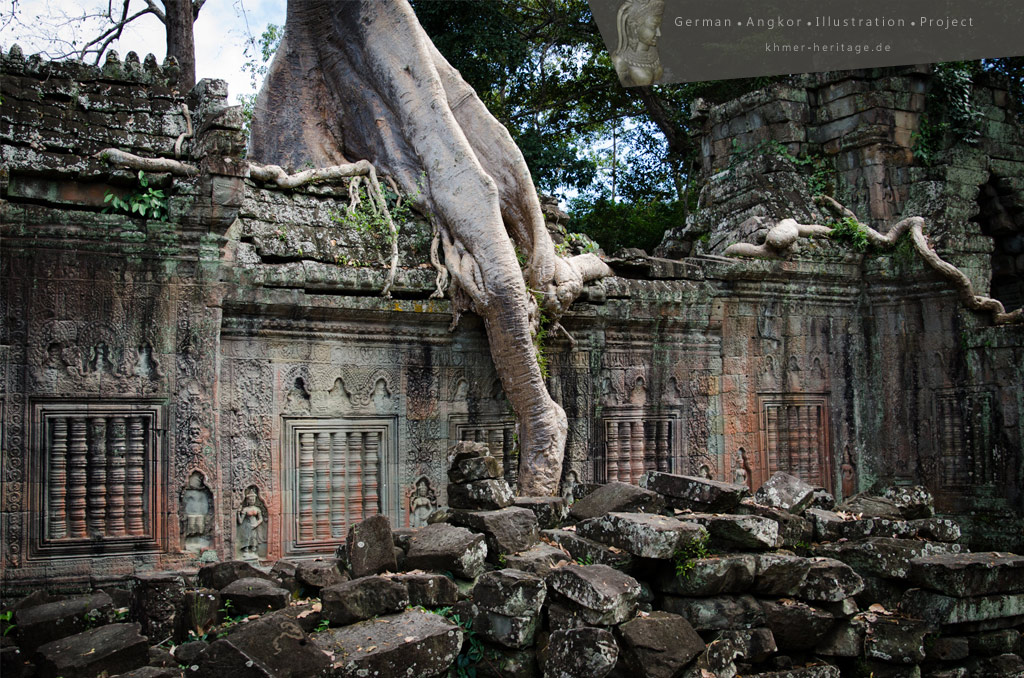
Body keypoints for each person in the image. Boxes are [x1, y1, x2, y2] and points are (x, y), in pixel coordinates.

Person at [611, 0, 666, 87]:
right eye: (653, 27)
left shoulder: (655, 52)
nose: (659, 33)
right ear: (635, 28)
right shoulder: (620, 62)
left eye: (659, 26)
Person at [237, 486, 265, 558]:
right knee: (247, 538)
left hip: (254, 525)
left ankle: (253, 551)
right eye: (250, 500)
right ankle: (246, 551)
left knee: (254, 538)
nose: (252, 501)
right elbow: (240, 521)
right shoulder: (245, 509)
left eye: (253, 499)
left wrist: (256, 524)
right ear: (247, 500)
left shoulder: (257, 509)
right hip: (247, 526)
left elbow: (261, 519)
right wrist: (238, 513)